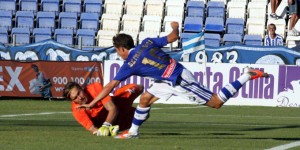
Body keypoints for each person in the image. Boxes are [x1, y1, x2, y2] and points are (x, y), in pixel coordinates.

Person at [77, 22, 269, 139]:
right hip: (167, 79)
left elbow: (110, 86)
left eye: (116, 51)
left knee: (216, 102)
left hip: (178, 80)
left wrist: (92, 103)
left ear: (120, 49)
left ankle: (247, 75)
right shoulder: (147, 42)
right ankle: (133, 132)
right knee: (145, 99)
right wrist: (175, 26)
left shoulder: (129, 64)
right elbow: (174, 36)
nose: (117, 55)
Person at [63, 82, 143, 136]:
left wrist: (106, 126)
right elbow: (93, 129)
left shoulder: (94, 87)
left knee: (137, 87)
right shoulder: (77, 109)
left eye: (79, 93)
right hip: (117, 124)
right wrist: (102, 132)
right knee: (140, 116)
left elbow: (113, 109)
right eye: (75, 98)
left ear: (82, 88)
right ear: (72, 101)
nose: (79, 98)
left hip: (119, 107)